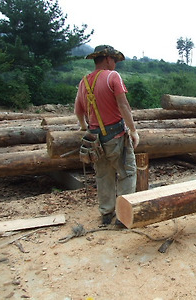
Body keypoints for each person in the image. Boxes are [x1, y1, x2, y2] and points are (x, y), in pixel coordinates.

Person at [74, 45, 139, 226]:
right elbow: (123, 106)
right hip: (115, 135)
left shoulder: (84, 82)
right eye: (115, 60)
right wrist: (133, 131)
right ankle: (123, 216)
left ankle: (106, 212)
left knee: (103, 175)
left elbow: (78, 110)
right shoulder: (113, 76)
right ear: (108, 59)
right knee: (127, 173)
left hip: (94, 139)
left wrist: (83, 127)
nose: (116, 64)